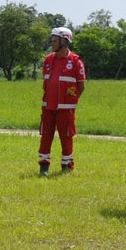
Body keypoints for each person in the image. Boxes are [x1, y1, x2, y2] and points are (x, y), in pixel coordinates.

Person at [38, 26, 85, 175]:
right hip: (48, 107)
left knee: (66, 137)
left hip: (66, 108)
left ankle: (66, 165)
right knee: (46, 136)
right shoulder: (48, 60)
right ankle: (43, 166)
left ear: (64, 41)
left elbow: (81, 86)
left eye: (55, 40)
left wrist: (70, 101)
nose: (52, 43)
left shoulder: (76, 61)